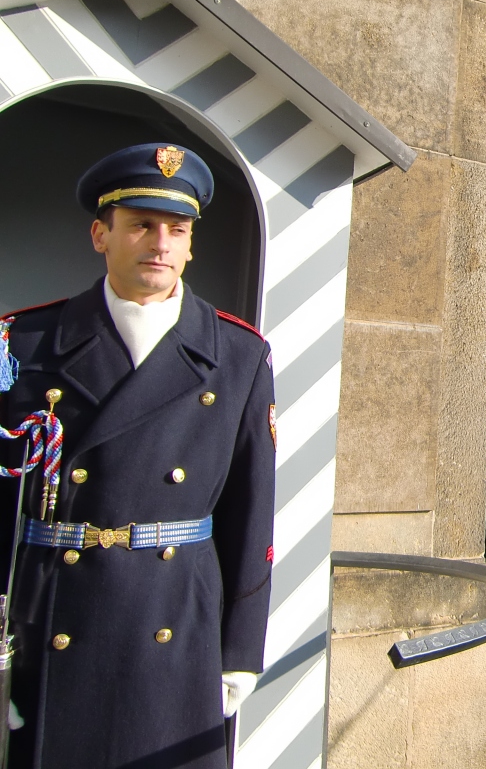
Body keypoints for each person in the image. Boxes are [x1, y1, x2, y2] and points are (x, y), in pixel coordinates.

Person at [0, 143, 276, 769]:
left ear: (191, 245)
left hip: (176, 618)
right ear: (101, 234)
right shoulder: (25, 343)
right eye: (141, 225)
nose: (160, 243)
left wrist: (240, 649)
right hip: (50, 616)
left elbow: (251, 512)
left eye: (177, 230)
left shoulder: (238, 354)